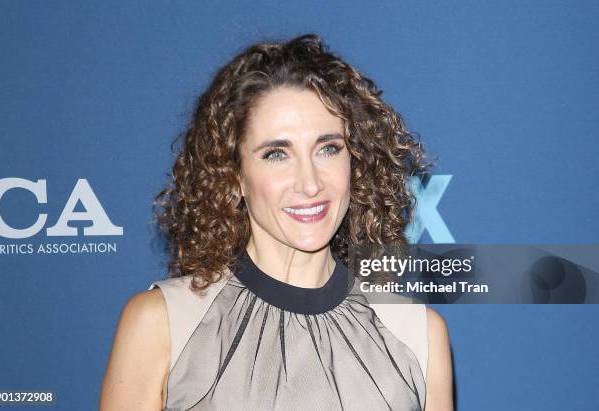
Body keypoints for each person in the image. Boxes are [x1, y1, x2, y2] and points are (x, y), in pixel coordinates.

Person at [99, 33, 453, 411]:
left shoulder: (417, 333)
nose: (311, 182)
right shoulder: (162, 324)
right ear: (233, 175)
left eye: (328, 149)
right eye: (276, 154)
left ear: (356, 162)